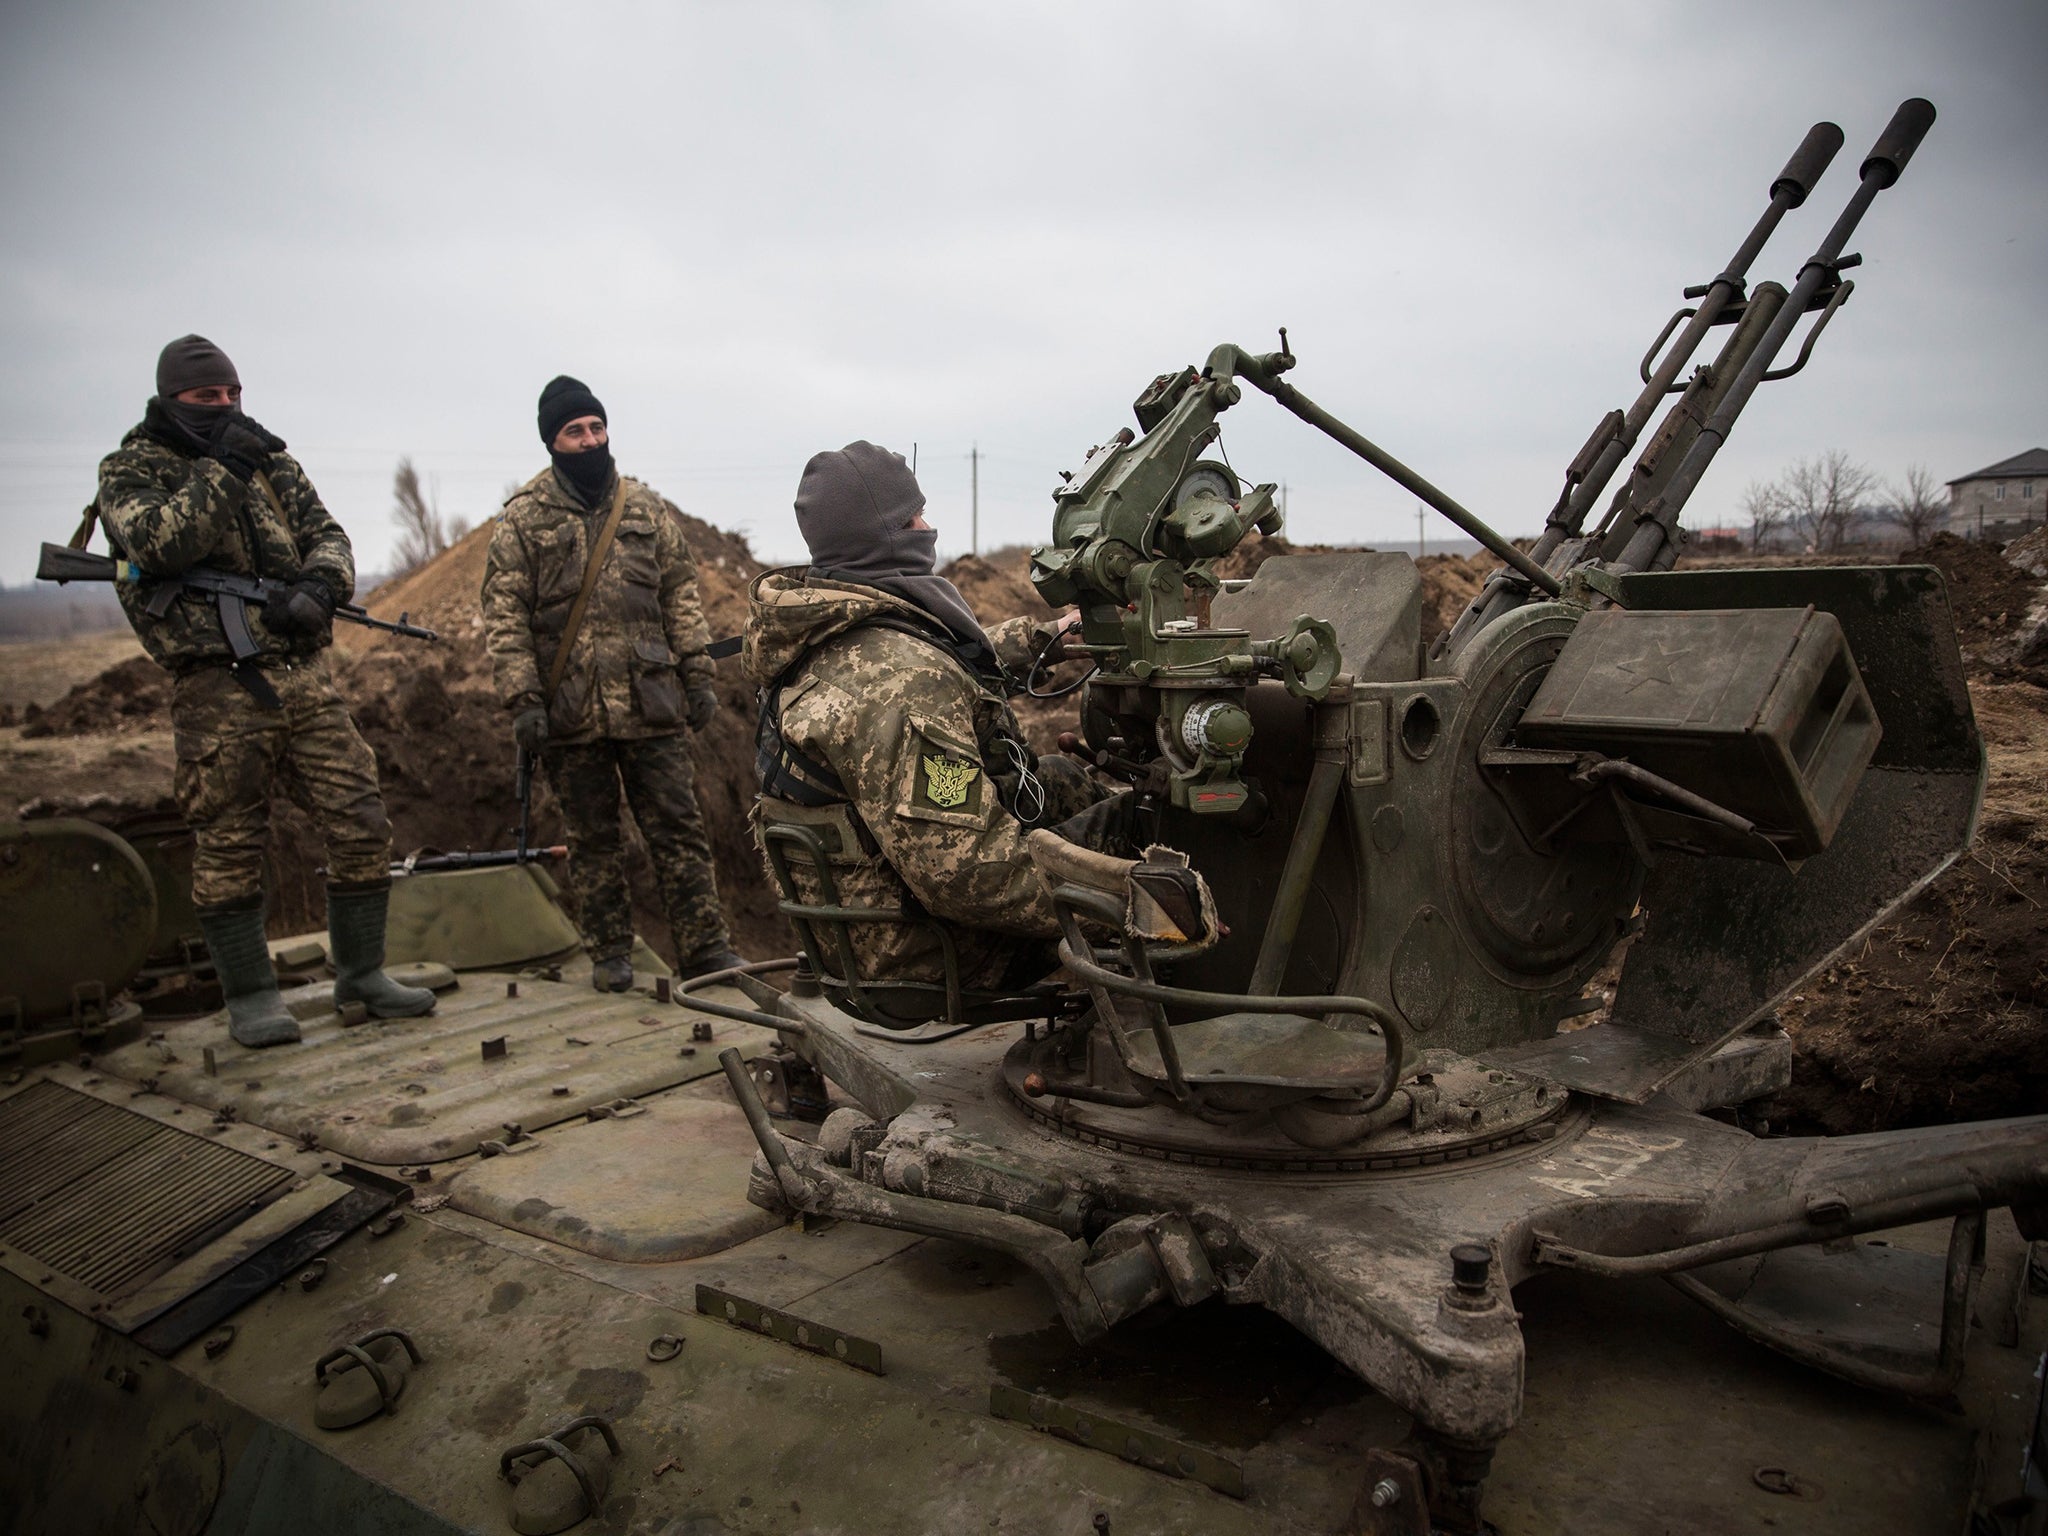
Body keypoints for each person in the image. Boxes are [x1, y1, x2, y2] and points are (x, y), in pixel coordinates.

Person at [96, 334, 435, 1048]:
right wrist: (225, 466)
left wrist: (318, 586)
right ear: (170, 399)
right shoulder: (133, 468)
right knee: (228, 839)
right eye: (205, 397)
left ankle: (363, 974)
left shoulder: (270, 459)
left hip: (302, 676)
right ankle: (251, 996)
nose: (223, 406)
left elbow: (329, 534)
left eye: (231, 394)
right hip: (214, 688)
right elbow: (161, 544)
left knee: (360, 818)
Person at [744, 440, 1114, 995]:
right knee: (1137, 827)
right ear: (887, 533)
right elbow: (970, 878)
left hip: (869, 926)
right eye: (915, 515)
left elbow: (933, 659)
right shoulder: (903, 683)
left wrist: (1045, 637)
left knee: (1060, 783)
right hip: (928, 958)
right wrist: (1136, 901)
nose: (928, 526)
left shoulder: (831, 623)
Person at [481, 375, 742, 991]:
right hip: (571, 710)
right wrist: (523, 699)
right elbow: (504, 615)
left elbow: (679, 591)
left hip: (652, 701)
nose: (590, 439)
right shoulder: (524, 519)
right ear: (553, 441)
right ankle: (610, 952)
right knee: (592, 839)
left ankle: (706, 948)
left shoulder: (644, 507)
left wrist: (697, 671)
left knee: (679, 828)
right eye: (576, 431)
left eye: (597, 427)